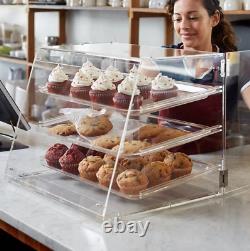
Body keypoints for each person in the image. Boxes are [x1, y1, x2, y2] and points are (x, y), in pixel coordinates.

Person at [142, 0, 238, 153]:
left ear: (214, 19)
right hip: (165, 158)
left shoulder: (233, 62)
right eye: (178, 19)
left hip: (214, 159)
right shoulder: (162, 59)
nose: (184, 26)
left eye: (193, 18)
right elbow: (131, 100)